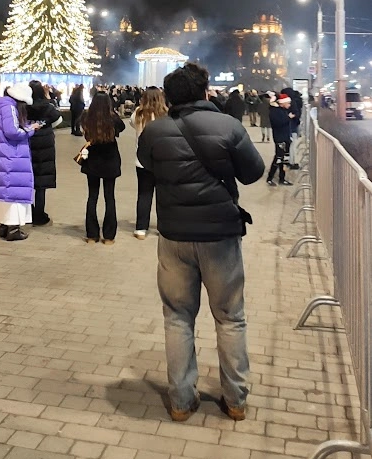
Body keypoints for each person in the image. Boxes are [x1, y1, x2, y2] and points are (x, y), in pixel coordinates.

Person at [137, 64, 264, 423]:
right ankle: (235, 400)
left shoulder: (154, 132)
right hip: (220, 237)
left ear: (170, 97)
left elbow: (148, 166)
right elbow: (253, 172)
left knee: (177, 317)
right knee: (230, 317)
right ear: (206, 92)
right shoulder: (228, 126)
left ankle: (181, 401)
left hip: (174, 237)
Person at [0, 83, 41, 241]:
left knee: (7, 193)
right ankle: (13, 229)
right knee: (15, 194)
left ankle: (5, 226)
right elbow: (13, 132)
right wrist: (31, 129)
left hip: (6, 156)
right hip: (13, 157)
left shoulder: (4, 107)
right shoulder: (10, 108)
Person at [80, 91, 125, 244]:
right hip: (110, 160)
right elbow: (122, 128)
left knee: (92, 197)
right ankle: (109, 236)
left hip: (92, 160)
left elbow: (85, 133)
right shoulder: (112, 118)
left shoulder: (86, 117)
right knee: (109, 197)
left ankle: (92, 234)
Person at [130, 87, 168, 239]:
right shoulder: (165, 114)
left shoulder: (138, 113)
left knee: (144, 194)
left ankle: (141, 228)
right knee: (163, 195)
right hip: (162, 160)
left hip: (142, 161)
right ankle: (163, 227)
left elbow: (132, 124)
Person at [27, 80, 63, 226]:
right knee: (41, 184)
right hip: (45, 145)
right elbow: (58, 118)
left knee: (27, 180)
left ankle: (28, 212)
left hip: (28, 142)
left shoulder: (24, 106)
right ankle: (39, 215)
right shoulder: (48, 107)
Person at [267, 93, 294, 186]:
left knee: (283, 159)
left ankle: (282, 178)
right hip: (280, 138)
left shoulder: (282, 110)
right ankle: (270, 178)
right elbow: (277, 123)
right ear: (282, 103)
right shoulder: (275, 111)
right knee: (278, 158)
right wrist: (288, 118)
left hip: (285, 137)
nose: (289, 105)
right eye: (288, 103)